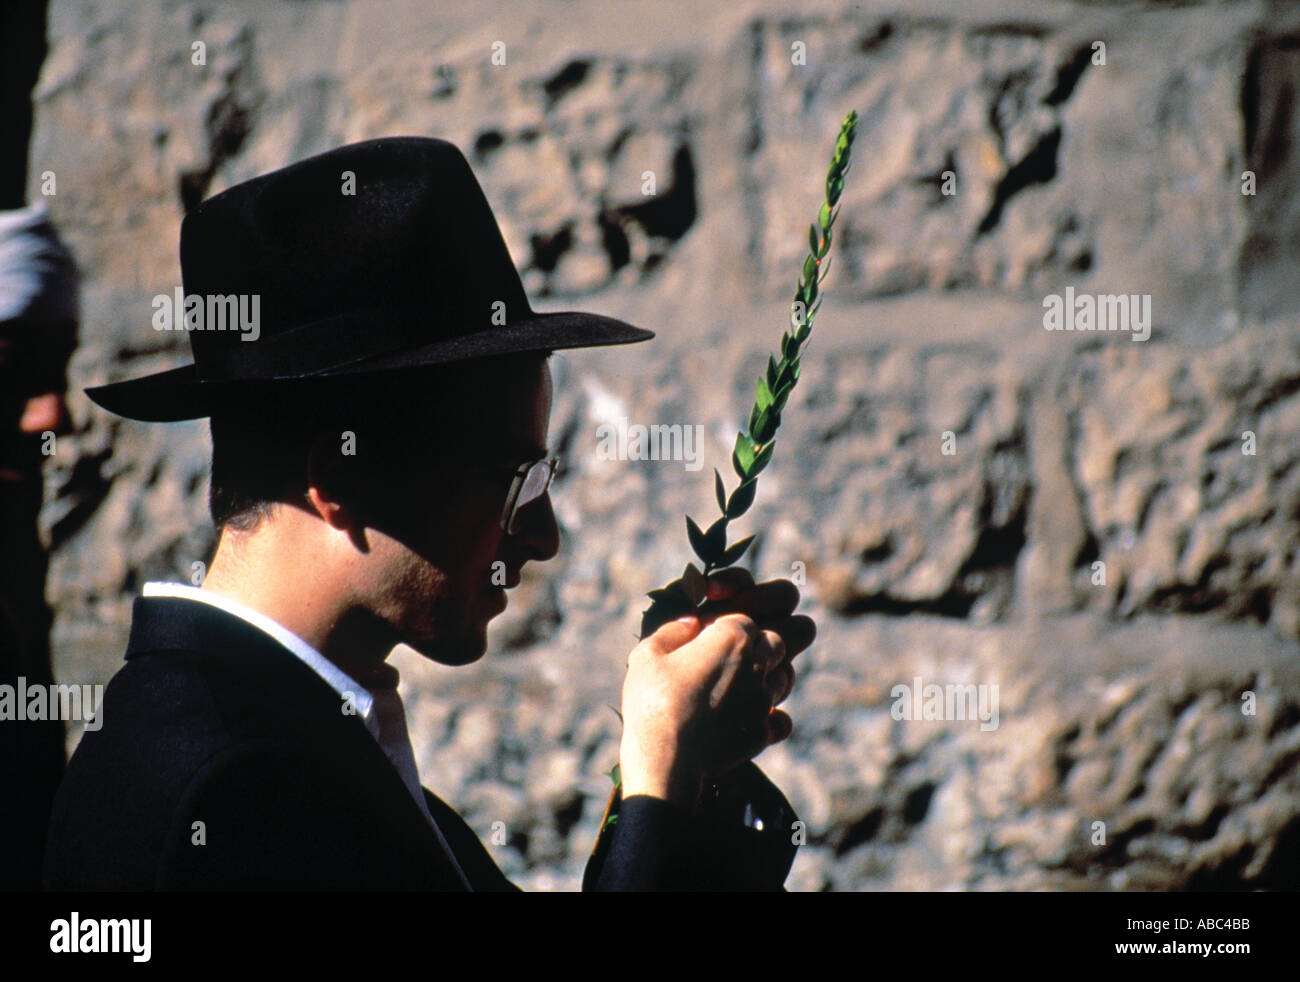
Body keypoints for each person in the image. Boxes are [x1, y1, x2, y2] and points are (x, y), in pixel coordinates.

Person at [42, 136, 814, 890]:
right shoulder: (227, 783)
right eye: (515, 479)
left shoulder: (295, 743)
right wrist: (662, 768)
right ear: (340, 478)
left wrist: (693, 780)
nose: (542, 539)